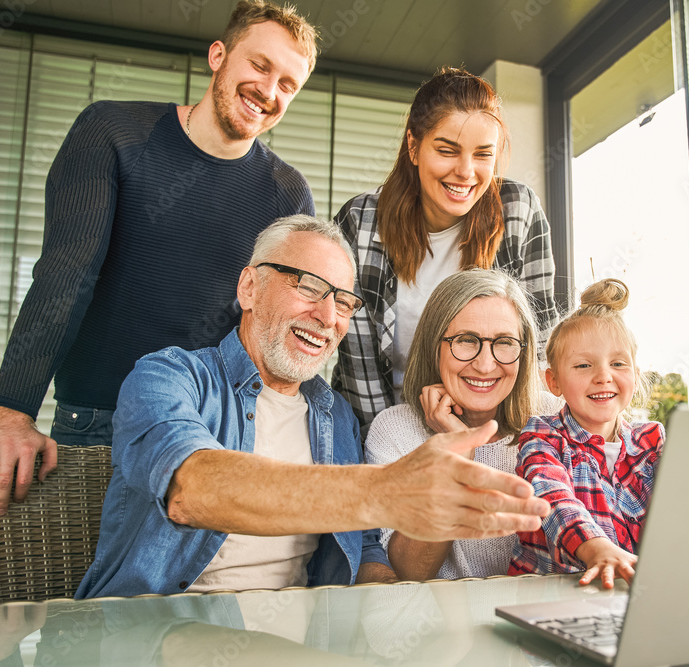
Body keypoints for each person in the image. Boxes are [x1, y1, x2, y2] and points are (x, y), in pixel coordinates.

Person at [0, 0, 319, 516]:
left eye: (288, 84)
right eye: (260, 66)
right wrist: (11, 409)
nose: (269, 91)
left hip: (214, 432)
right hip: (96, 424)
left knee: (202, 599)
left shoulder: (287, 193)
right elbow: (68, 272)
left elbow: (277, 325)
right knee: (81, 597)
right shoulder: (112, 132)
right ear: (218, 55)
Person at [76, 216, 549, 598]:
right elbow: (191, 488)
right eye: (307, 286)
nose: (327, 317)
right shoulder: (168, 376)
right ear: (249, 288)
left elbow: (367, 552)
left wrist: (387, 621)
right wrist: (388, 491)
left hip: (297, 636)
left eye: (344, 302)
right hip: (157, 630)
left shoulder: (336, 416)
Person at [332, 66, 558, 433]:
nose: (466, 172)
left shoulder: (518, 210)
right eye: (447, 150)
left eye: (483, 154)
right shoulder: (360, 222)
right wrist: (402, 441)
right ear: (413, 147)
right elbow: (360, 369)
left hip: (492, 426)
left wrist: (500, 438)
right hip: (383, 427)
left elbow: (537, 344)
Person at [365, 269, 560, 580]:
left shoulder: (554, 418)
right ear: (434, 344)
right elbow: (411, 571)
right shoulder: (395, 430)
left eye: (505, 342)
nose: (485, 365)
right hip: (441, 626)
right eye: (466, 341)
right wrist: (456, 453)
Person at [508, 279, 665, 589]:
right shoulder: (543, 437)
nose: (603, 376)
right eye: (583, 365)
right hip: (548, 598)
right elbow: (553, 500)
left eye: (618, 363)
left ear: (635, 374)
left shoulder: (652, 443)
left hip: (628, 598)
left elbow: (681, 512)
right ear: (553, 381)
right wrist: (598, 548)